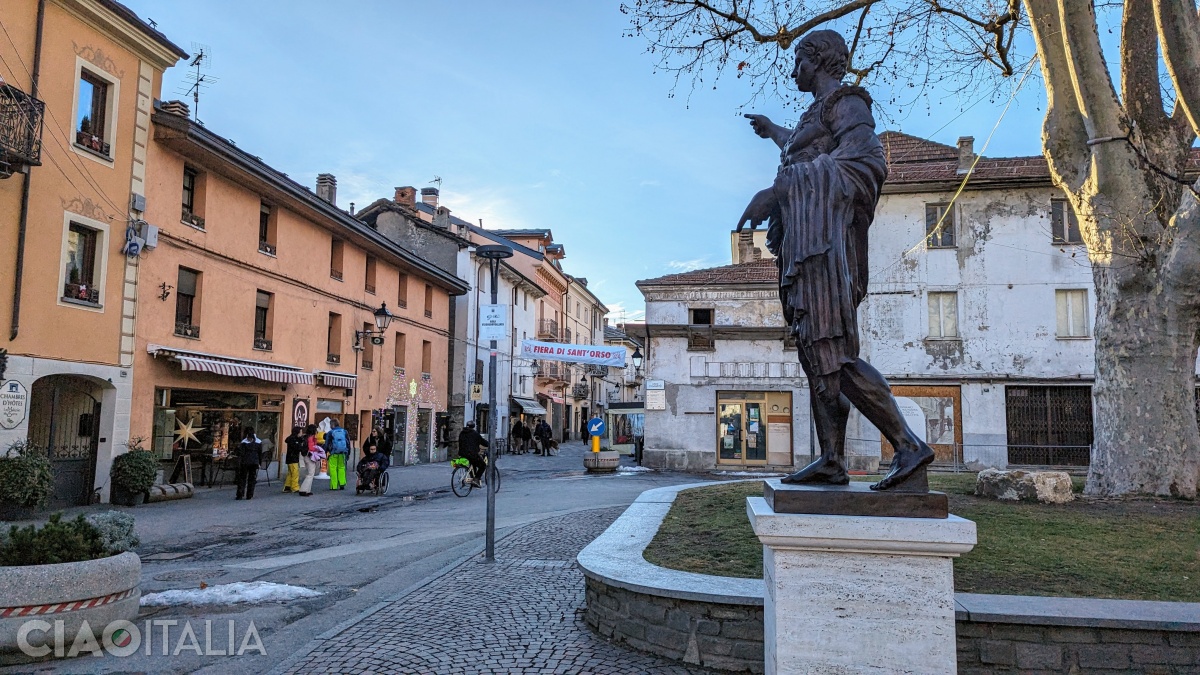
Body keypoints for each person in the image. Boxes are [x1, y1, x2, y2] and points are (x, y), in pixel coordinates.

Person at [738, 29, 934, 490]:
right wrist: (774, 133)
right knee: (814, 355)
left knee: (834, 354)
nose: (792, 72)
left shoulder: (849, 104)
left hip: (826, 246)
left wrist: (778, 190)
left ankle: (909, 445)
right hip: (804, 245)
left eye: (798, 61)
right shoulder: (819, 112)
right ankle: (831, 459)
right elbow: (810, 147)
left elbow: (863, 163)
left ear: (820, 60)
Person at [457, 420, 489, 487]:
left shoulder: (462, 433)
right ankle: (476, 479)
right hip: (471, 454)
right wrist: (490, 444)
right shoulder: (475, 434)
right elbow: (482, 442)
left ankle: (472, 479)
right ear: (473, 426)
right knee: (483, 465)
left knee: (473, 463)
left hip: (462, 453)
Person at [234, 427, 262, 500]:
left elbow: (241, 453)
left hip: (245, 462)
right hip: (254, 462)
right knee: (252, 479)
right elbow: (260, 454)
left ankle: (240, 494)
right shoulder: (258, 442)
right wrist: (260, 463)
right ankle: (249, 495)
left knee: (242, 478)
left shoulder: (244, 442)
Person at [299, 424, 323, 496]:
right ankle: (303, 490)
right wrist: (318, 448)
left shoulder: (305, 437)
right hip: (310, 456)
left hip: (306, 455)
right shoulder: (311, 438)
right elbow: (311, 448)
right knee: (310, 473)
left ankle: (307, 490)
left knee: (309, 473)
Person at [326, 419, 350, 490]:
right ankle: (342, 483)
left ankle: (334, 485)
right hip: (342, 453)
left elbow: (327, 443)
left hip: (333, 453)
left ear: (332, 425)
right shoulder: (344, 432)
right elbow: (348, 443)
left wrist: (325, 451)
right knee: (341, 468)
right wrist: (348, 453)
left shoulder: (330, 433)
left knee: (333, 469)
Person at [283, 425, 304, 493]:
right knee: (295, 473)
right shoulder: (293, 440)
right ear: (297, 432)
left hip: (290, 458)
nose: (301, 433)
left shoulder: (292, 439)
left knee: (290, 473)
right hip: (293, 459)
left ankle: (287, 487)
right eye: (300, 432)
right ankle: (295, 487)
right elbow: (297, 448)